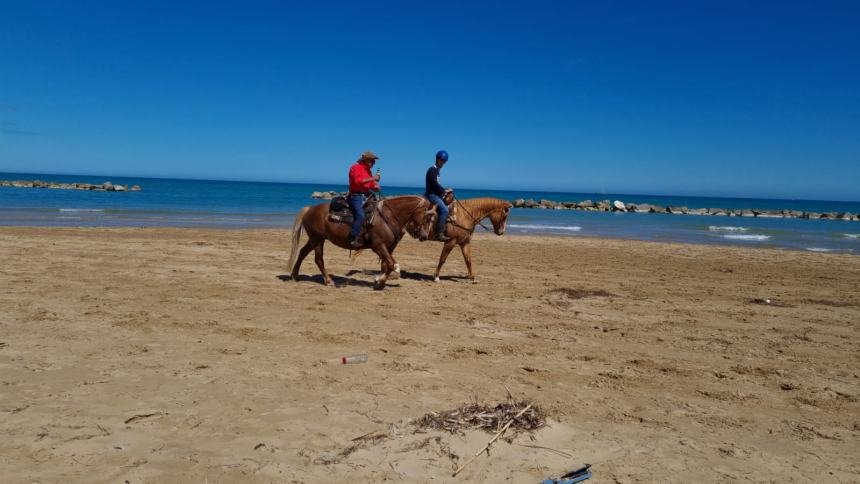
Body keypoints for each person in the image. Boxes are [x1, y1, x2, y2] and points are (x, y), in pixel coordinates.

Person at [347, 151, 382, 248]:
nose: (373, 163)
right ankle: (352, 238)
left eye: (374, 162)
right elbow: (358, 182)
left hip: (366, 195)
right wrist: (373, 178)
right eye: (372, 161)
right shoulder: (355, 167)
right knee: (360, 215)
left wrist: (375, 186)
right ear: (365, 160)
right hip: (356, 196)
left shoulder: (368, 171)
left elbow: (370, 184)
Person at [425, 150, 453, 241]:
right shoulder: (432, 170)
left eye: (444, 161)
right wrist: (445, 190)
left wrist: (444, 192)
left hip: (436, 194)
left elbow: (436, 185)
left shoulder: (436, 171)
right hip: (432, 195)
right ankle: (439, 234)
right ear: (437, 159)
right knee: (445, 211)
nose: (443, 162)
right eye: (441, 160)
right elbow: (434, 184)